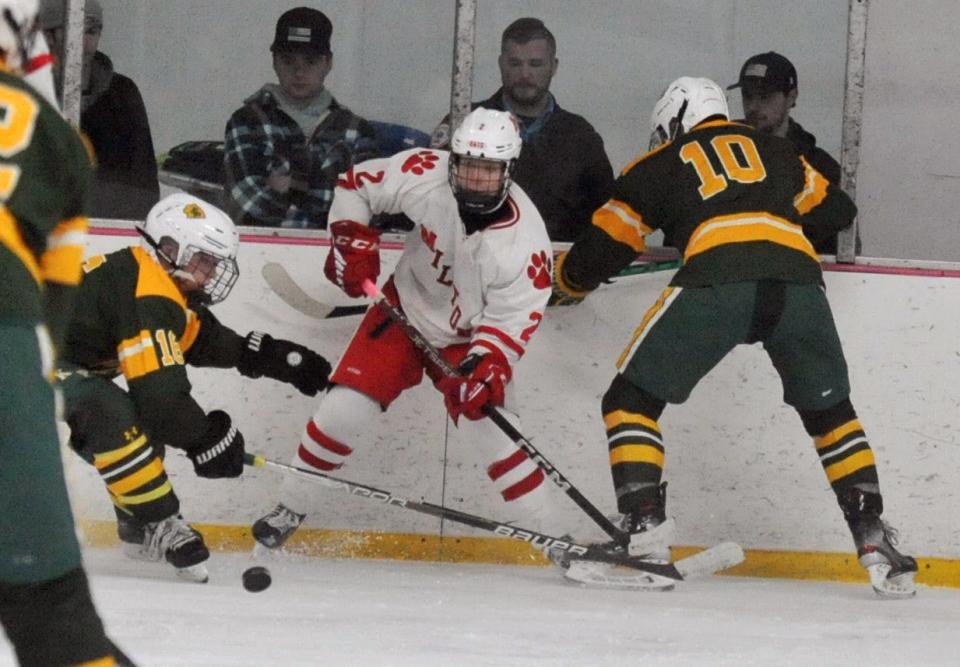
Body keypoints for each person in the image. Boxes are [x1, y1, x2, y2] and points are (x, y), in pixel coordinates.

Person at [551, 77, 917, 597]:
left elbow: (602, 249)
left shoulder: (657, 164)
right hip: (798, 284)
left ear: (674, 122)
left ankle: (643, 538)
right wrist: (765, 221)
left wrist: (564, 285)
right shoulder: (779, 149)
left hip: (717, 281)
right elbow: (838, 212)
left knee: (629, 403)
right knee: (832, 415)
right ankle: (875, 539)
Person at [252, 108, 561, 549]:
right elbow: (355, 186)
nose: (475, 181)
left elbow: (509, 325)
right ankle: (290, 507)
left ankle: (558, 541)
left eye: (488, 172)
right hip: (403, 310)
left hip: (467, 341)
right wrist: (349, 236)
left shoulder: (527, 249)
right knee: (342, 411)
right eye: (468, 167)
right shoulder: (425, 172)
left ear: (510, 171)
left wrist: (485, 369)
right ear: (451, 161)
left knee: (493, 436)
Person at [58, 193, 333, 582]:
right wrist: (205, 440)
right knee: (107, 411)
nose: (209, 273)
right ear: (168, 250)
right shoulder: (148, 293)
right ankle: (159, 522)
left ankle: (138, 525)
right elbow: (161, 399)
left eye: (214, 264)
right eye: (203, 261)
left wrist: (274, 357)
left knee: (130, 427)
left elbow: (203, 340)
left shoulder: (153, 285)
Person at [0, 1, 134, 664]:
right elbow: (57, 286)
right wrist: (35, 376)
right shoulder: (56, 139)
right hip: (5, 346)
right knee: (52, 613)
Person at [430, 17, 613, 243]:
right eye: (515, 63)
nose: (525, 74)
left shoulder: (581, 138)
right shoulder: (464, 123)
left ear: (553, 66)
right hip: (468, 262)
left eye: (535, 64)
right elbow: (427, 198)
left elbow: (607, 222)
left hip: (554, 269)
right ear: (501, 64)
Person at [224, 6, 379, 228]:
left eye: (310, 61)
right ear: (275, 61)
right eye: (288, 61)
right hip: (262, 254)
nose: (299, 72)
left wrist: (284, 189)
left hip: (337, 257)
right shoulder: (246, 122)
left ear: (328, 63)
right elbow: (248, 203)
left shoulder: (357, 130)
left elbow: (369, 209)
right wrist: (330, 203)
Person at [39, 0, 160, 220]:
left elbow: (145, 187)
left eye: (92, 31)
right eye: (74, 30)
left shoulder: (123, 95)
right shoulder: (21, 94)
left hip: (107, 232)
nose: (84, 43)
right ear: (47, 36)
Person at [727, 51, 849, 254]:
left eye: (765, 96)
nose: (753, 106)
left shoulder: (820, 167)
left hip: (796, 280)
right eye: (747, 95)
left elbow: (840, 248)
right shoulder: (722, 155)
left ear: (792, 96)